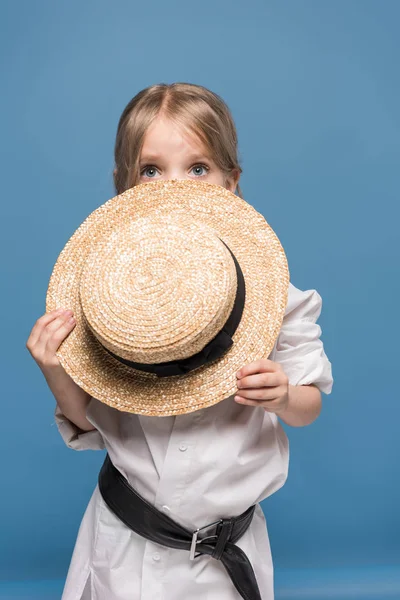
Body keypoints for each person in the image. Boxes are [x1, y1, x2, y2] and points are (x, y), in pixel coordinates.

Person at [26, 82, 333, 600]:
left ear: (230, 182)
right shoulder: (107, 304)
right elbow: (90, 424)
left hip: (223, 556)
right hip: (125, 546)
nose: (176, 187)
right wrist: (56, 368)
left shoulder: (274, 297)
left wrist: (282, 394)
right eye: (151, 170)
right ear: (125, 187)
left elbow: (309, 407)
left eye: (198, 168)